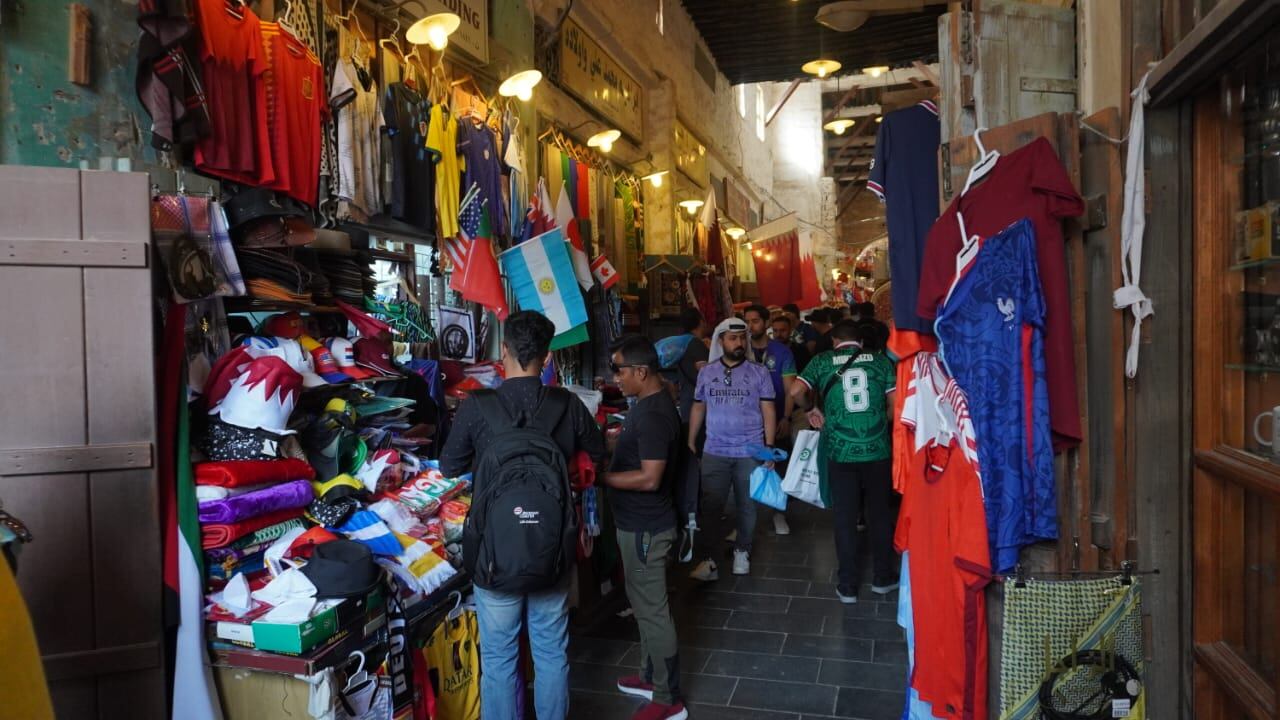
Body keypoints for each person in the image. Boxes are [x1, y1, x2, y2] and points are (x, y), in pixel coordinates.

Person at [439, 311, 606, 720]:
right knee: (551, 651)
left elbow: (448, 467)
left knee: (499, 657)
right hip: (551, 547)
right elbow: (599, 454)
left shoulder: (477, 407)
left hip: (494, 552)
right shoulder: (567, 404)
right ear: (547, 358)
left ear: (504, 351)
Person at [604, 336, 688, 720]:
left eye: (619, 370)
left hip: (646, 528)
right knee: (642, 605)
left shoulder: (654, 414)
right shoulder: (650, 404)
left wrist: (604, 479)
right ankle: (650, 674)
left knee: (653, 611)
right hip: (640, 524)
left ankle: (668, 698)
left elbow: (650, 478)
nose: (615, 378)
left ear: (640, 371)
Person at [790, 320, 897, 604]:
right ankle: (883, 578)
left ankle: (848, 585)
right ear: (860, 340)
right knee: (880, 514)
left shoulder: (822, 361)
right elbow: (895, 405)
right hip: (877, 451)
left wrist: (812, 409)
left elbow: (795, 392)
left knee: (844, 517)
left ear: (835, 340)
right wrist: (878, 425)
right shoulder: (881, 362)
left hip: (839, 451)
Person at [687, 318, 777, 579]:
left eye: (742, 338)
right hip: (715, 449)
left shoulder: (759, 372)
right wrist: (692, 440)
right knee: (712, 506)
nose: (739, 343)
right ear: (721, 341)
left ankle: (742, 551)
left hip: (750, 450)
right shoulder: (707, 372)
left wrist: (768, 447)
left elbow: (768, 408)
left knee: (746, 504)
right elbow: (698, 405)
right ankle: (710, 561)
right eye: (732, 338)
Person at [743, 304, 797, 537]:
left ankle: (778, 513)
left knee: (777, 467)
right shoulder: (739, 349)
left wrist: (786, 417)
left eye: (755, 321)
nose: (750, 326)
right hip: (746, 421)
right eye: (747, 321)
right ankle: (745, 520)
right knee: (745, 469)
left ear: (766, 323)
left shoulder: (782, 352)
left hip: (775, 416)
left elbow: (789, 388)